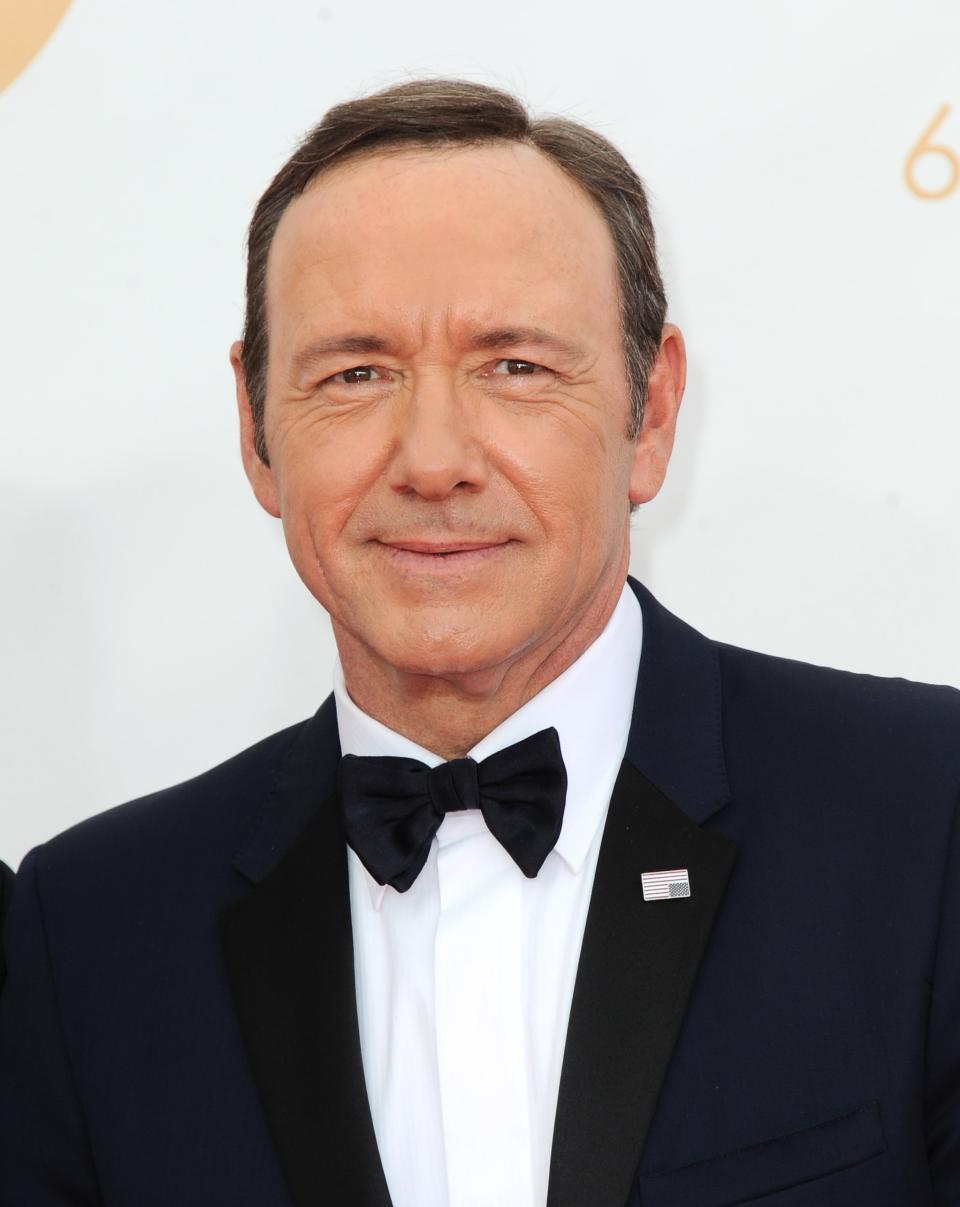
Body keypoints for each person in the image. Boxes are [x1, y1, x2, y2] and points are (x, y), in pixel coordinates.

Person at [1, 78, 958, 1207]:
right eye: (357, 373)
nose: (435, 458)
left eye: (516, 366)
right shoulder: (92, 932)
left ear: (649, 416)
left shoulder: (928, 818)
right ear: (258, 433)